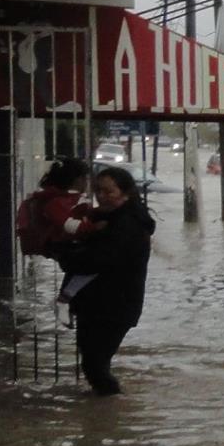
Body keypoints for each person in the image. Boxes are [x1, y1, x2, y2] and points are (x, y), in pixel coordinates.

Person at [55, 166, 155, 396]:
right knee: (92, 361)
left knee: (95, 364)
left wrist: (64, 255)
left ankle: (113, 410)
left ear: (126, 193)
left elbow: (98, 260)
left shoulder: (128, 225)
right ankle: (102, 415)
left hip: (114, 306)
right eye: (98, 190)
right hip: (95, 304)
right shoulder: (101, 219)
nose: (102, 196)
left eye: (109, 192)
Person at [14, 157, 92, 258]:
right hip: (64, 248)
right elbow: (67, 224)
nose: (87, 183)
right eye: (85, 179)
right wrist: (93, 228)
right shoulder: (57, 201)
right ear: (78, 180)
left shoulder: (62, 197)